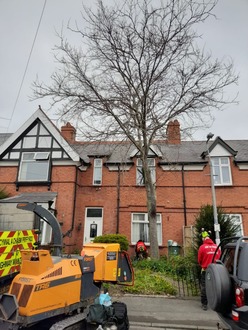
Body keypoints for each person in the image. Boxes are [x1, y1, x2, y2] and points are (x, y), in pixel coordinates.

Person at [198, 230, 221, 311]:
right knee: (214, 287)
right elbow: (219, 258)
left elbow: (199, 260)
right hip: (216, 271)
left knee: (204, 287)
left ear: (204, 238)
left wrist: (203, 264)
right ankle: (215, 302)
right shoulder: (216, 247)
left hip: (205, 270)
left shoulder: (202, 247)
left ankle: (204, 304)